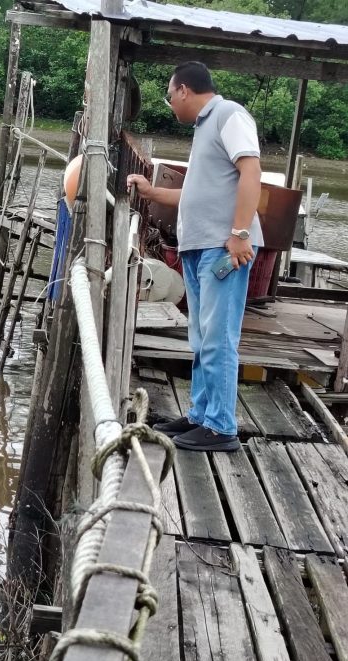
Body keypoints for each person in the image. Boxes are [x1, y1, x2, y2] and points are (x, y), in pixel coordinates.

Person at [127, 61, 262, 452]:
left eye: (170, 96)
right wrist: (151, 192)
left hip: (222, 248)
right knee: (201, 337)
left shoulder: (228, 114)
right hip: (199, 248)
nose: (170, 104)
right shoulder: (205, 128)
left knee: (218, 337)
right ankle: (202, 415)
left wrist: (239, 234)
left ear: (184, 90)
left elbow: (252, 172)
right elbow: (193, 196)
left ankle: (221, 428)